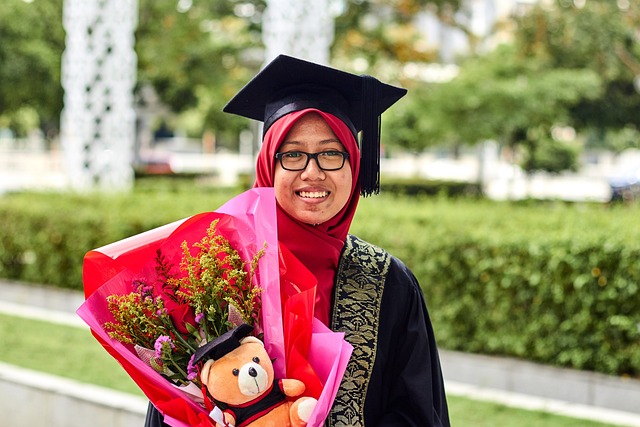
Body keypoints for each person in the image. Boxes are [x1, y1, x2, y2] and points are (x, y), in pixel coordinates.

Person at [146, 54, 450, 427]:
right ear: (267, 166)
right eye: (292, 155)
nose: (313, 172)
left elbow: (417, 414)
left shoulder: (387, 281)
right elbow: (175, 405)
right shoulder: (216, 272)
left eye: (331, 153)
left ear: (354, 164)